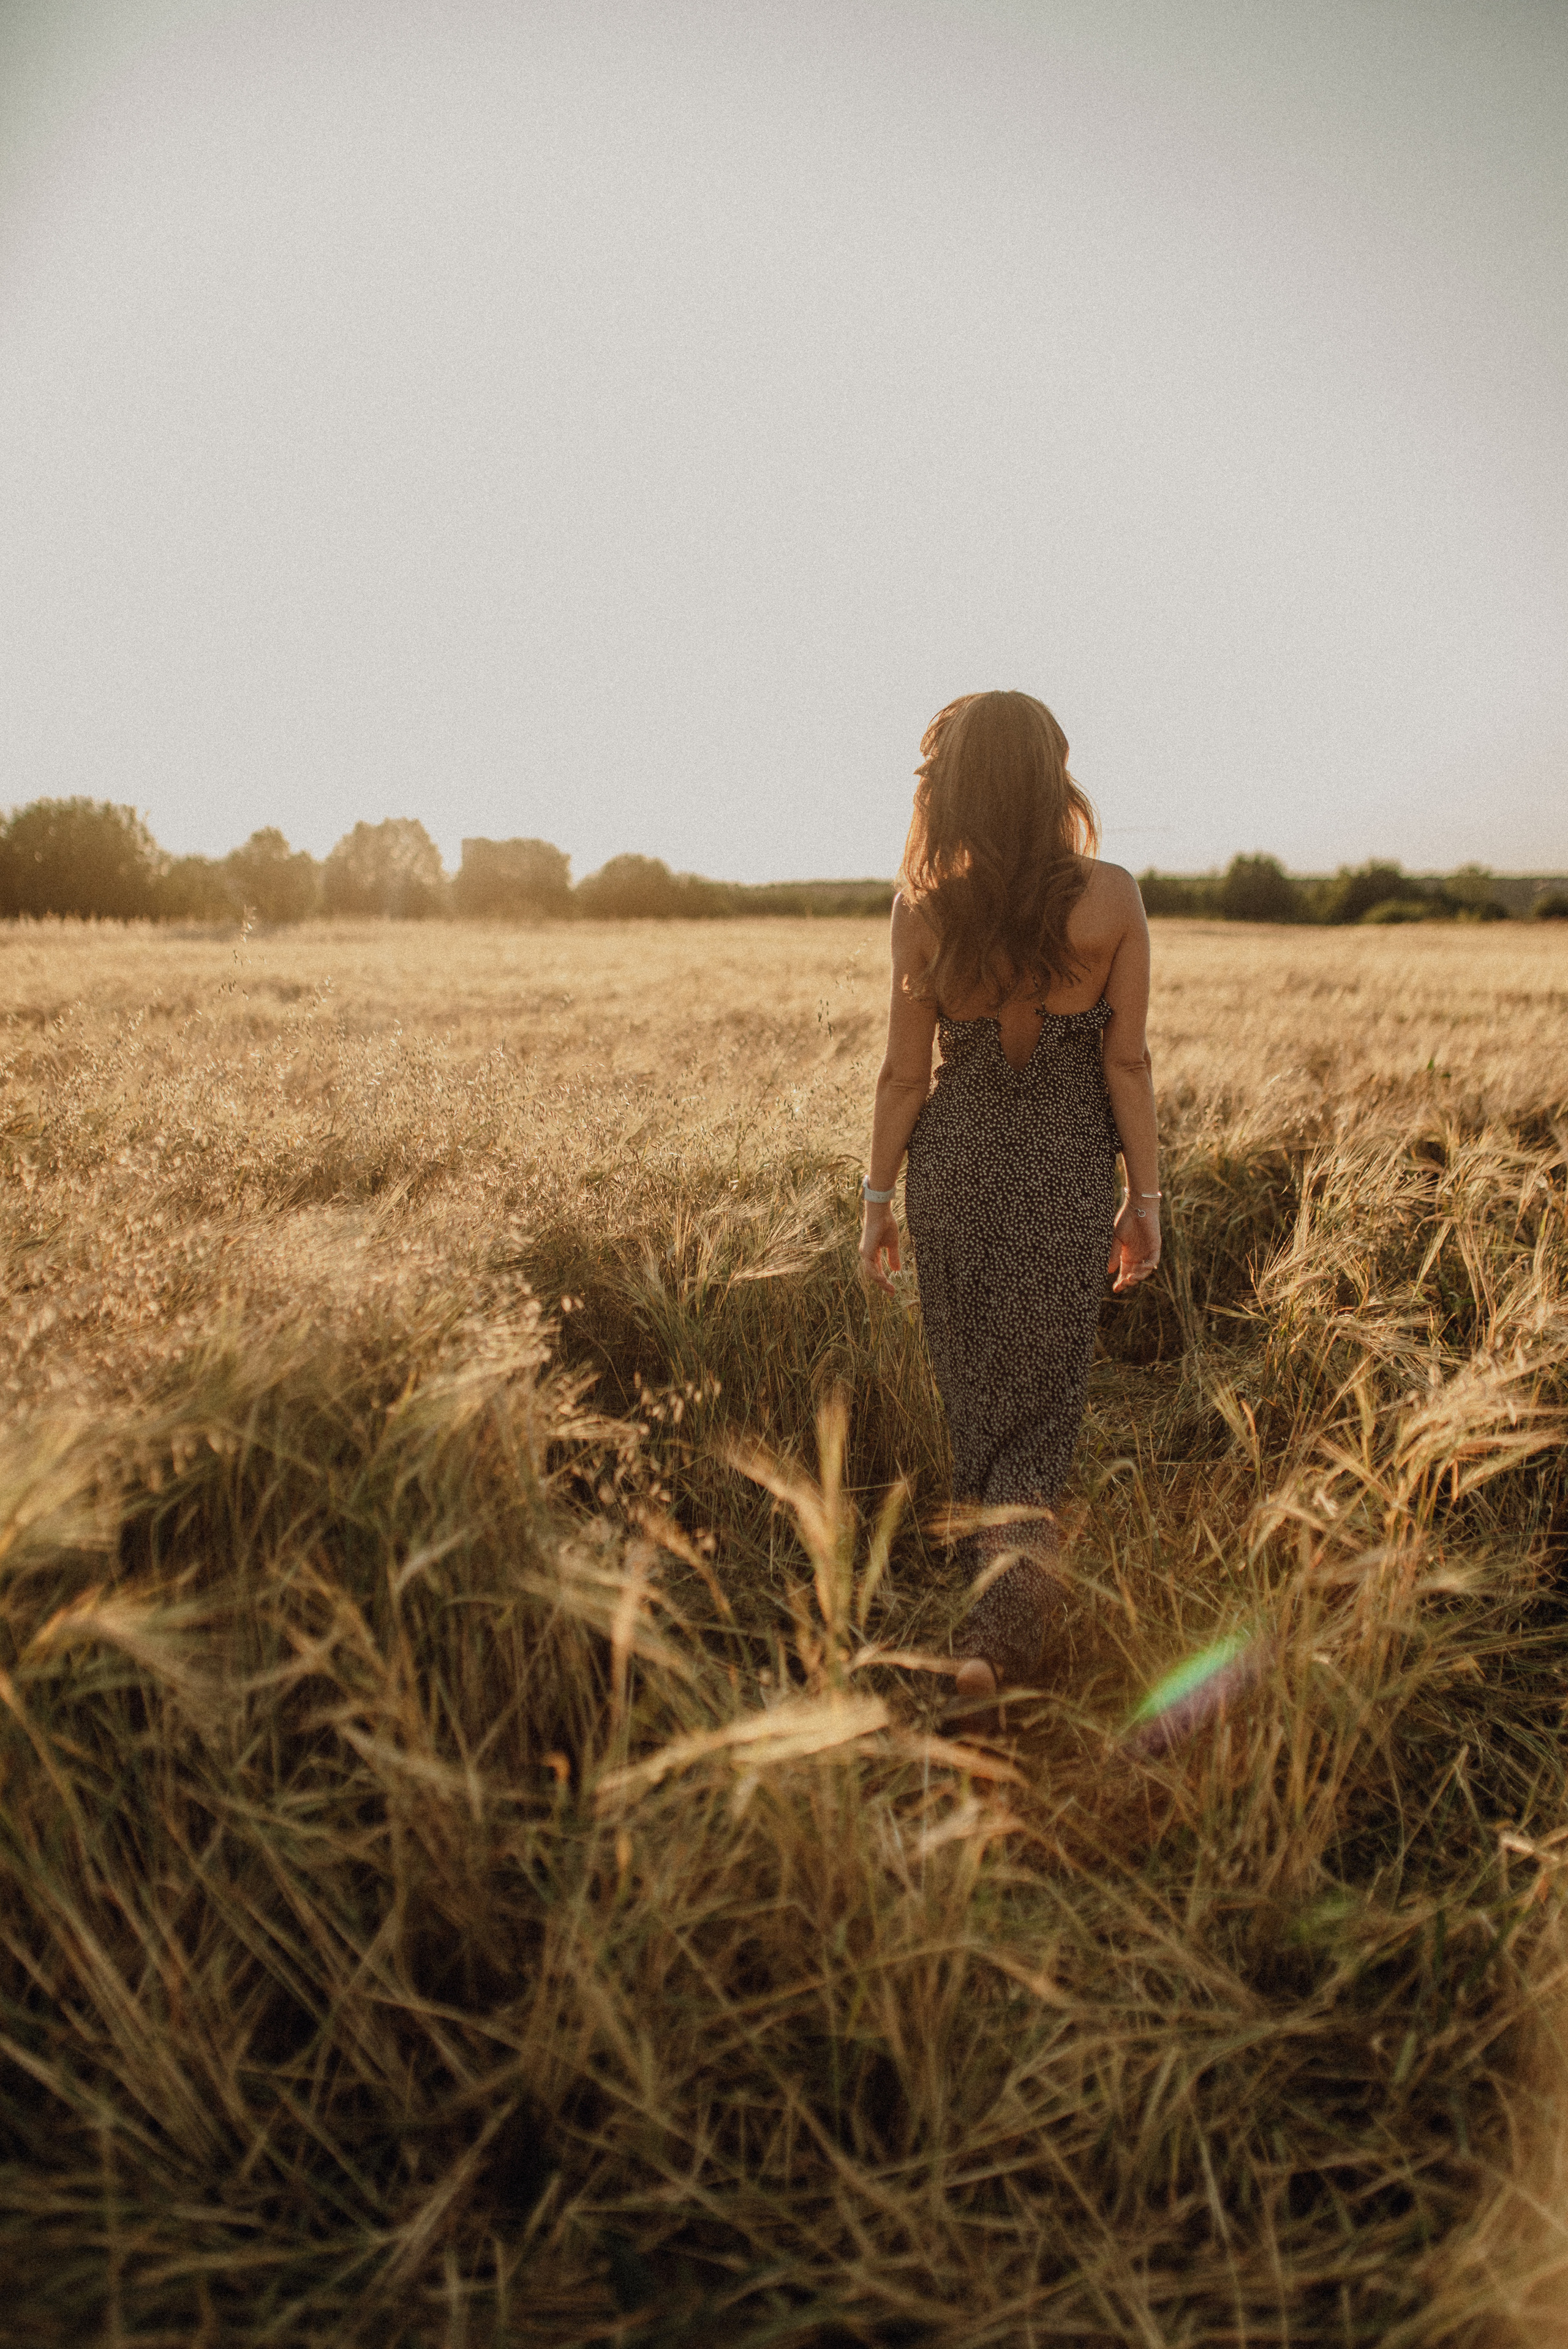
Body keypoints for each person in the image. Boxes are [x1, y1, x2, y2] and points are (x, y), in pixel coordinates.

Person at [859, 690, 1161, 1708]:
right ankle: (999, 1639)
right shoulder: (1114, 898)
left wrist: (876, 1200)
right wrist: (1144, 1201)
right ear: (1051, 776)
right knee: (1040, 1423)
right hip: (1065, 1180)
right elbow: (1129, 1065)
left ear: (952, 788)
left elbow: (904, 1079)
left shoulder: (923, 909)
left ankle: (996, 1612)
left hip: (953, 1178)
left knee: (981, 1413)